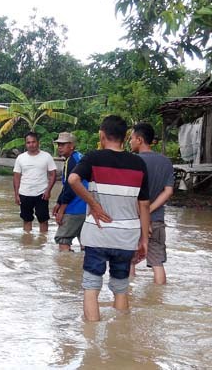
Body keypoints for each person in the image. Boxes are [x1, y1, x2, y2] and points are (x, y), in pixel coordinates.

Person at [68, 115, 150, 321]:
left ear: (102, 135)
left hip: (98, 233)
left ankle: (91, 342)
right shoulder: (138, 164)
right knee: (121, 289)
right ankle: (120, 339)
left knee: (91, 287)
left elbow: (73, 179)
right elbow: (144, 204)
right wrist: (145, 240)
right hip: (126, 237)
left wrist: (94, 204)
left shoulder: (94, 158)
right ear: (124, 138)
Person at [129, 122, 175, 285]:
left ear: (140, 140)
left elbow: (131, 193)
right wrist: (149, 210)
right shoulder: (166, 162)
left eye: (132, 138)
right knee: (157, 263)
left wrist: (142, 214)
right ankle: (159, 301)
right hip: (157, 220)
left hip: (134, 220)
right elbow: (168, 191)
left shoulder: (132, 162)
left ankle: (127, 302)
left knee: (130, 262)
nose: (130, 142)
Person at [13, 132, 57, 233]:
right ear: (25, 144)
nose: (31, 145)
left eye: (33, 142)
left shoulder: (46, 157)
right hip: (24, 193)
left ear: (38, 143)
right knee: (26, 219)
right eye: (28, 142)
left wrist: (48, 191)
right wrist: (16, 194)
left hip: (41, 194)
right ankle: (27, 243)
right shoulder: (20, 158)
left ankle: (42, 243)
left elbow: (53, 175)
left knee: (43, 220)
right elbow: (16, 177)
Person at [52, 132, 87, 252]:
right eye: (58, 144)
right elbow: (66, 185)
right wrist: (58, 202)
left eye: (63, 144)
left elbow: (71, 188)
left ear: (71, 146)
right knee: (85, 242)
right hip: (86, 208)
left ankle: (65, 269)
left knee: (63, 239)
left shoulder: (72, 162)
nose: (59, 147)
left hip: (75, 208)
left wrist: (61, 210)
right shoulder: (79, 158)